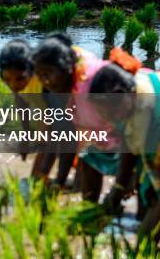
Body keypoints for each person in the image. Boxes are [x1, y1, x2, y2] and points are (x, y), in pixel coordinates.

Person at [89, 62, 160, 245]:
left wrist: (144, 242)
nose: (107, 118)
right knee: (151, 194)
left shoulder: (153, 117)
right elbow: (127, 137)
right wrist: (118, 187)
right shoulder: (128, 96)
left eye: (111, 112)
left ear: (127, 95)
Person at [32, 32, 111, 193]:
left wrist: (60, 183)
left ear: (66, 67)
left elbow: (84, 143)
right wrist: (47, 177)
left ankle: (79, 188)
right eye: (40, 75)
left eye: (47, 74)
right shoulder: (53, 86)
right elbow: (60, 134)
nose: (45, 80)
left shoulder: (85, 83)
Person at [0, 39, 46, 177]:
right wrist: (25, 136)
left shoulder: (44, 82)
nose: (13, 85)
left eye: (19, 79)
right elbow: (20, 102)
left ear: (32, 70)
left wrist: (35, 175)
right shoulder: (18, 82)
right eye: (7, 79)